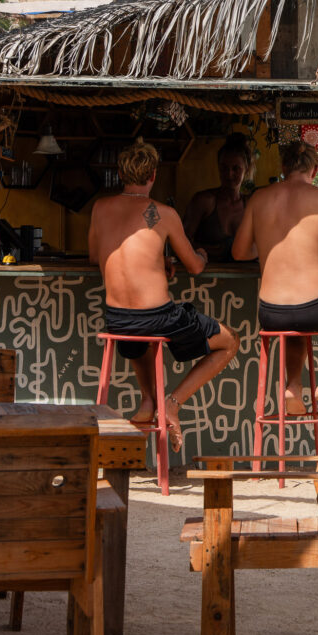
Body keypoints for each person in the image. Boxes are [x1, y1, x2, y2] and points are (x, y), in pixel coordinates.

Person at [89, 139, 239, 452]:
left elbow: (95, 255)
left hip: (118, 321)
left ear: (120, 172)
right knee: (230, 341)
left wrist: (157, 260)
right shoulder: (163, 213)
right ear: (153, 175)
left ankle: (148, 402)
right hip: (157, 319)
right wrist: (201, 254)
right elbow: (195, 267)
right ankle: (171, 403)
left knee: (140, 334)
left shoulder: (100, 208)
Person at [232, 140, 318, 415]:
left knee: (296, 330)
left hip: (271, 313)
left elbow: (239, 252)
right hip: (316, 308)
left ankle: (292, 387)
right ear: (316, 169)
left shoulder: (259, 198)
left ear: (283, 166)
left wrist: (271, 245)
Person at [183, 132, 255, 261]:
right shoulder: (204, 201)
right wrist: (211, 250)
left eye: (236, 168)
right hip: (206, 279)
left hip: (245, 278)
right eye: (224, 168)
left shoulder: (250, 205)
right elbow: (181, 242)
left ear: (247, 169)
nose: (229, 174)